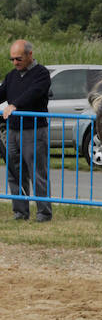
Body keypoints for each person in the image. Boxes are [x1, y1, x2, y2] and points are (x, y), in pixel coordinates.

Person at [0, 39, 52, 222]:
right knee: (15, 173)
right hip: (13, 131)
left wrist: (15, 105)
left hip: (34, 131)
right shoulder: (11, 76)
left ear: (30, 55)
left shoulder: (42, 74)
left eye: (19, 59)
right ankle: (20, 212)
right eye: (12, 59)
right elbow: (2, 93)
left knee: (37, 173)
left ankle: (43, 213)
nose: (15, 63)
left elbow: (34, 93)